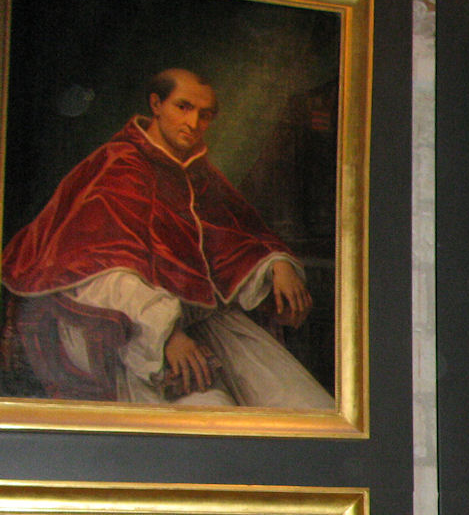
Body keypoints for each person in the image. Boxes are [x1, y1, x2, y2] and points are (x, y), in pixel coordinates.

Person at [1, 68, 334, 409]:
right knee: (213, 415)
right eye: (183, 107)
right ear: (156, 105)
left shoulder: (196, 170)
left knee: (305, 405)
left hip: (207, 319)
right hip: (139, 333)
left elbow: (237, 234)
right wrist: (165, 333)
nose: (194, 123)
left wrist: (276, 263)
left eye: (205, 115)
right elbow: (98, 271)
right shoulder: (119, 168)